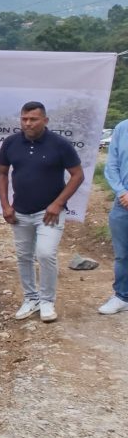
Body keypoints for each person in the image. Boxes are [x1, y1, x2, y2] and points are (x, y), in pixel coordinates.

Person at [0, 101, 83, 322]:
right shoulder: (11, 143)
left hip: (49, 213)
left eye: (33, 119)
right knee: (24, 256)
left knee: (45, 253)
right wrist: (5, 205)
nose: (28, 123)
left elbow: (77, 175)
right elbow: (2, 174)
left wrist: (58, 203)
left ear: (45, 120)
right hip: (20, 212)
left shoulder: (60, 144)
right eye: (24, 119)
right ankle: (30, 299)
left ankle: (46, 301)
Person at [101, 118, 128, 315]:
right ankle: (122, 296)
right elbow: (112, 165)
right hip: (124, 201)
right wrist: (121, 192)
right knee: (122, 253)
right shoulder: (122, 128)